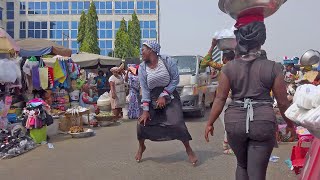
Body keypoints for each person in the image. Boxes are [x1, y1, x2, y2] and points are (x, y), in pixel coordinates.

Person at [204, 20, 295, 180]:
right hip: (262, 122)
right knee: (257, 173)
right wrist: (289, 124)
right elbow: (282, 102)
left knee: (242, 165)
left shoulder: (228, 68)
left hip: (235, 123)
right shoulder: (273, 67)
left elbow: (220, 98)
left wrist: (209, 122)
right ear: (261, 42)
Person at [136, 40, 197, 165]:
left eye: (143, 49)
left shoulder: (167, 60)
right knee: (142, 123)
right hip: (151, 97)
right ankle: (141, 146)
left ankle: (188, 149)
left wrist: (164, 94)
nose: (141, 52)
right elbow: (145, 89)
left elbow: (175, 79)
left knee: (177, 123)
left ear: (151, 50)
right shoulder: (142, 67)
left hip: (170, 95)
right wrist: (146, 110)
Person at [202, 38, 236, 154]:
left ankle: (226, 144)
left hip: (225, 99)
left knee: (228, 124)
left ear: (224, 59)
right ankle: (227, 144)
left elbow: (204, 62)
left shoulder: (222, 67)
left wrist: (212, 46)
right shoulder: (239, 68)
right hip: (236, 100)